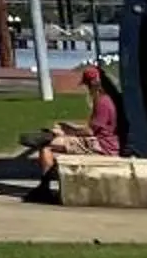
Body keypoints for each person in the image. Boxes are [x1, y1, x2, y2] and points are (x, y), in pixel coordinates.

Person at [25, 63, 121, 200]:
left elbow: (89, 132)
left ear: (92, 85)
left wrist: (66, 130)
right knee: (53, 144)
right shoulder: (107, 99)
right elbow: (94, 127)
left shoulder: (102, 102)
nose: (87, 90)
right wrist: (69, 128)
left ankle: (44, 189)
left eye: (87, 86)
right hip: (102, 141)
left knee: (46, 146)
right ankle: (47, 185)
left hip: (102, 145)